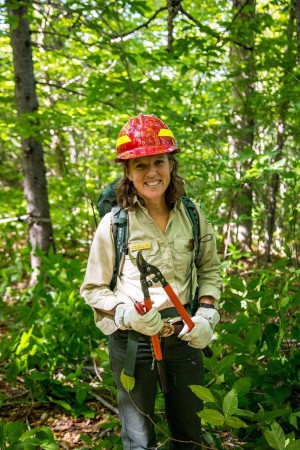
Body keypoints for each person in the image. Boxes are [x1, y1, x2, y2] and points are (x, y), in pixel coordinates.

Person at [81, 113, 222, 450]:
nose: (151, 173)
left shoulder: (192, 215)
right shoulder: (115, 225)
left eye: (158, 161)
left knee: (189, 433)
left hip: (185, 337)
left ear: (171, 164)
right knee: (138, 439)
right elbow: (92, 288)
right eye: (140, 165)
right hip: (134, 344)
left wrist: (207, 315)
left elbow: (210, 271)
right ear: (128, 173)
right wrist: (123, 313)